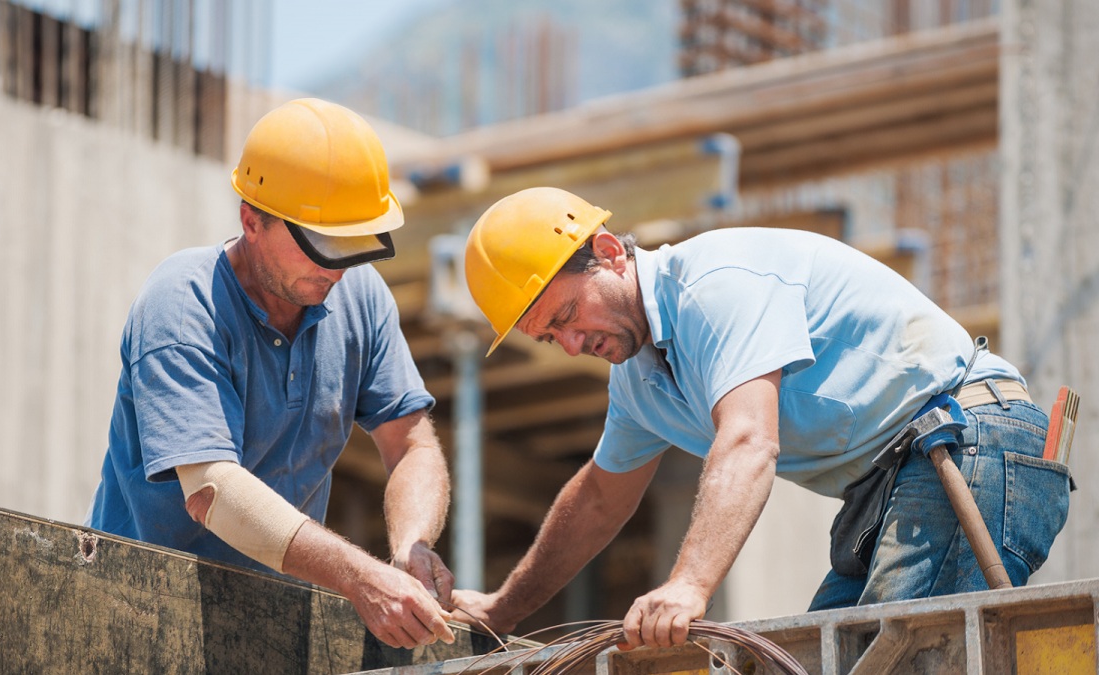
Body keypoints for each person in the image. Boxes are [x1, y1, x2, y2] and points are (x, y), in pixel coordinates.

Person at [449, 186, 1072, 649]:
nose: (572, 343)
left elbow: (749, 441)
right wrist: (503, 610)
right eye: (550, 338)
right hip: (899, 482)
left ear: (609, 253)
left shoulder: (715, 286)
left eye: (566, 316)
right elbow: (597, 502)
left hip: (972, 441)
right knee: (813, 659)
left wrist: (689, 586)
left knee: (894, 657)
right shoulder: (639, 382)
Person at [85, 98, 455, 650]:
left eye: (352, 244)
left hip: (274, 625)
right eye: (319, 244)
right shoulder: (184, 303)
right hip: (139, 617)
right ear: (250, 220)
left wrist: (411, 548)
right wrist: (360, 577)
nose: (335, 267)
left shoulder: (361, 298)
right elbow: (212, 491)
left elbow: (412, 445)